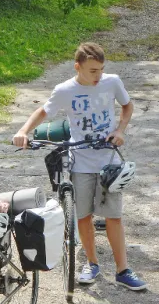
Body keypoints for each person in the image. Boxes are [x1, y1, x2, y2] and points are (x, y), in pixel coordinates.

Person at [12, 42, 147, 291]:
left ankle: (123, 270)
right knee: (83, 216)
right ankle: (91, 263)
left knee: (113, 216)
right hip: (80, 160)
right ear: (78, 67)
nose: (98, 76)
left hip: (109, 160)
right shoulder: (65, 90)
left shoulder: (112, 82)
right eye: (92, 71)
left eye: (101, 70)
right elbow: (44, 111)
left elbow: (127, 106)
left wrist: (120, 130)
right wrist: (23, 131)